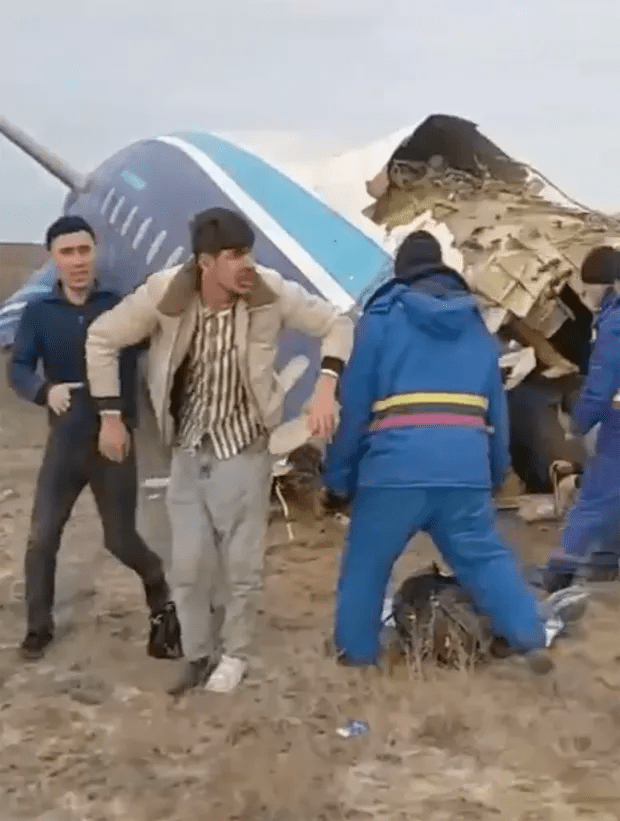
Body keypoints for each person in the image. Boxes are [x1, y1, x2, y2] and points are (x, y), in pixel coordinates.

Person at [85, 207, 353, 695]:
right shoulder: (165, 293)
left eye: (248, 252)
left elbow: (337, 323)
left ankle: (236, 655)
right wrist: (108, 413)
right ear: (205, 263)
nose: (246, 265)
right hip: (188, 451)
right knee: (186, 567)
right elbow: (102, 337)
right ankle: (197, 654)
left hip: (244, 450)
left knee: (241, 566)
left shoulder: (269, 293)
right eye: (234, 256)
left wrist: (326, 385)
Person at [322, 229, 586, 672]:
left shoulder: (381, 319)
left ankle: (357, 655)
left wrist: (337, 477)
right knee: (486, 559)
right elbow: (496, 412)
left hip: (395, 469)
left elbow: (354, 408)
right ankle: (530, 635)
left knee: (367, 564)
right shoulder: (478, 329)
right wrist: (496, 469)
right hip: (463, 464)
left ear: (401, 273)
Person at [9, 216, 181, 661]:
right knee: (42, 537)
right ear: (54, 258)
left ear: (95, 251)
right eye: (67, 253)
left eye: (84, 250)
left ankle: (158, 587)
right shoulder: (39, 313)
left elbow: (154, 345)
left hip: (113, 440)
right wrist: (45, 391)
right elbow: (19, 367)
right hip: (66, 441)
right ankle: (38, 628)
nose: (78, 261)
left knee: (120, 539)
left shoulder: (118, 305)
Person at [541, 245, 620, 592]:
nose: (586, 294)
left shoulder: (615, 320)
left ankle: (558, 573)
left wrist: (577, 424)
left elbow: (601, 382)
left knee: (594, 498)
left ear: (608, 284)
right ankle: (606, 563)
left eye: (589, 287)